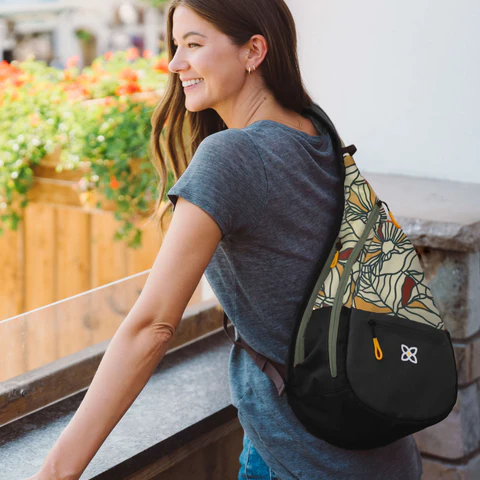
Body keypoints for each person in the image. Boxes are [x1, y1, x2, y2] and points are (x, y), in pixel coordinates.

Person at [27, 1, 424, 479]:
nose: (175, 64)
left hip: (300, 460)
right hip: (384, 451)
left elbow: (152, 326)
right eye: (176, 46)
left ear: (253, 51)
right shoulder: (317, 131)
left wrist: (54, 473)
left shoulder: (231, 157)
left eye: (194, 45)